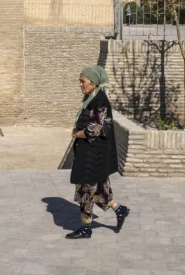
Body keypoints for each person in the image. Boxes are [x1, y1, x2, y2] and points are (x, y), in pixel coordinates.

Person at [66, 66, 130, 239]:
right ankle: (120, 209)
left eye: (83, 81)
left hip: (92, 155)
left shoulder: (99, 101)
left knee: (85, 189)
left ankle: (86, 228)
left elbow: (94, 129)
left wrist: (76, 134)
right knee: (99, 188)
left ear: (93, 83)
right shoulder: (92, 98)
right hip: (92, 153)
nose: (80, 84)